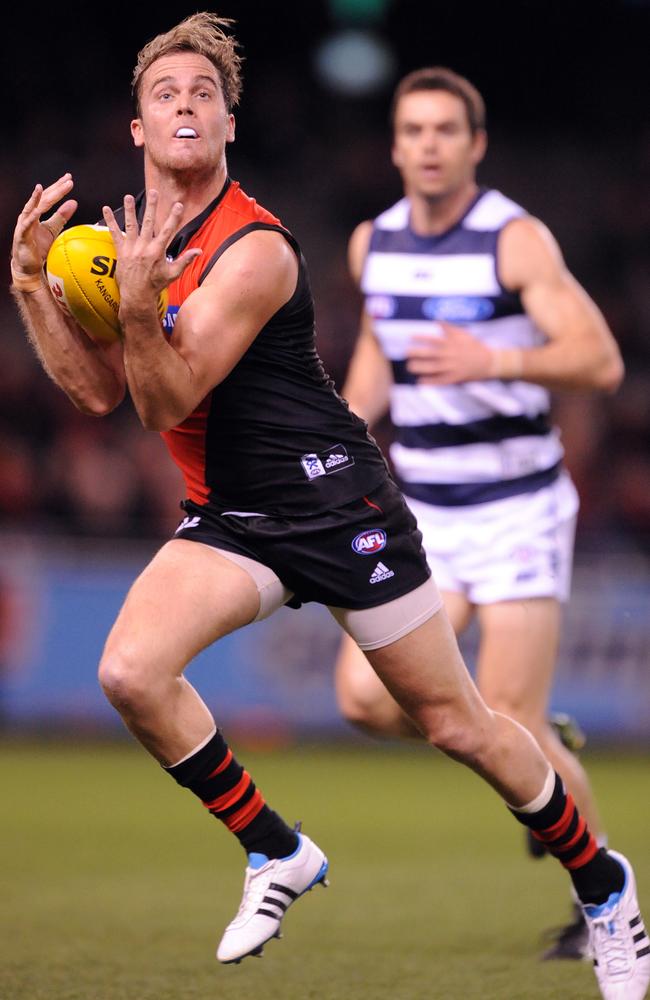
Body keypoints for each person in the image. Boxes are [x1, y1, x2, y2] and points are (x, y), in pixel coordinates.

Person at [9, 15, 649, 998]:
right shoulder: (131, 245)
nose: (184, 104)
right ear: (135, 129)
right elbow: (97, 393)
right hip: (234, 515)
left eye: (202, 93)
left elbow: (162, 399)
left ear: (230, 122)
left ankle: (602, 884)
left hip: (335, 502)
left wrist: (137, 310)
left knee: (459, 723)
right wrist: (32, 290)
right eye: (163, 94)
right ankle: (276, 848)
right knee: (131, 670)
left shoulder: (256, 247)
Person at [334, 66, 627, 961]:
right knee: (361, 702)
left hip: (518, 508)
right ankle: (535, 739)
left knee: (507, 713)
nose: (428, 145)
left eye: (445, 131)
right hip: (425, 508)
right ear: (395, 146)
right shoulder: (370, 244)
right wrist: (345, 438)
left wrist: (495, 362)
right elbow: (380, 350)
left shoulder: (514, 241)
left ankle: (600, 895)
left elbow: (600, 360)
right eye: (413, 130)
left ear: (475, 145)